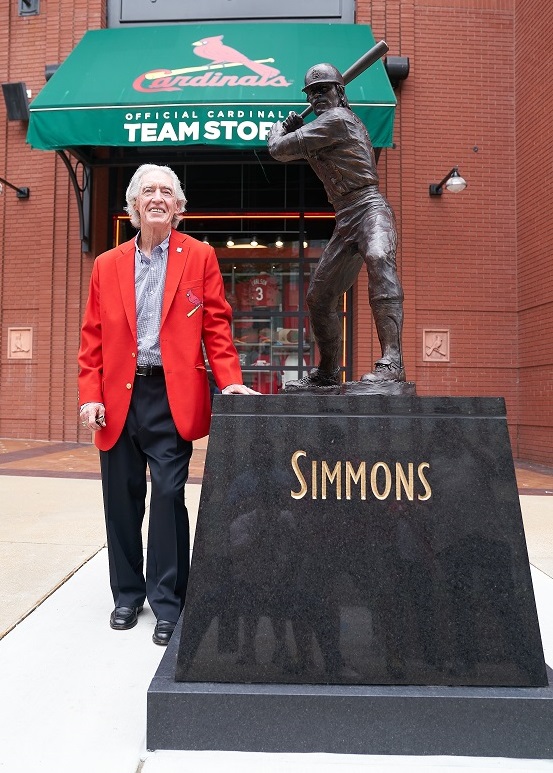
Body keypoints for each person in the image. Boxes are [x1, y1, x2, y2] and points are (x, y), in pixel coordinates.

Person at [78, 163, 257, 646]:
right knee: (121, 501)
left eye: (167, 192)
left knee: (169, 496)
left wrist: (232, 381)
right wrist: (90, 395)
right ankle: (126, 595)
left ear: (178, 208)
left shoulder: (199, 256)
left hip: (171, 396)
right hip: (117, 397)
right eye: (148, 191)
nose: (157, 197)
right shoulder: (106, 264)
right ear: (134, 206)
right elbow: (92, 339)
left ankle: (167, 601)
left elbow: (217, 326)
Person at [268, 63, 405, 389]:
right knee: (319, 298)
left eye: (323, 90)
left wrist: (279, 129)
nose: (317, 97)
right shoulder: (323, 127)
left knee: (377, 256)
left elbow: (277, 150)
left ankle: (392, 362)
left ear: (339, 92)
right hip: (345, 218)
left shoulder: (338, 120)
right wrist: (295, 131)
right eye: (312, 92)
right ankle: (327, 371)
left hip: (369, 207)